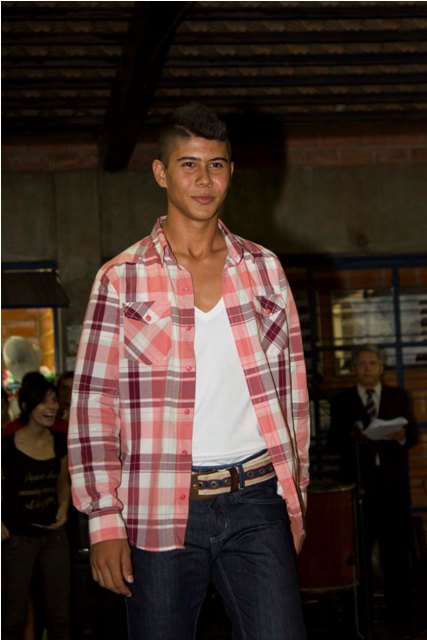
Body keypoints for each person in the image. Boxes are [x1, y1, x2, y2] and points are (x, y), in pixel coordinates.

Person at [68, 102, 310, 640]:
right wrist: (104, 519)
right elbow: (93, 405)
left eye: (216, 164)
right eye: (189, 164)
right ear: (161, 172)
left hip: (257, 499)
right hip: (158, 505)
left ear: (231, 172)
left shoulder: (264, 269)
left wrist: (295, 497)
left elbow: (293, 392)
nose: (204, 179)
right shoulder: (121, 278)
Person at [328, 345, 419, 640]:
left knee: (397, 560)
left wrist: (402, 435)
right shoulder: (341, 401)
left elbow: (414, 435)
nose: (367, 368)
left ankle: (401, 624)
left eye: (372, 363)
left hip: (393, 491)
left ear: (381, 368)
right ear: (354, 369)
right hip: (358, 492)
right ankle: (360, 624)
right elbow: (332, 441)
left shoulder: (398, 396)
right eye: (361, 363)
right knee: (359, 559)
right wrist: (355, 435)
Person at [1, 371, 71, 640]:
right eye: (44, 401)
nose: (51, 407)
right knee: (13, 617)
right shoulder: (7, 446)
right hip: (18, 539)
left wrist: (63, 506)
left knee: (60, 616)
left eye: (53, 400)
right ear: (27, 406)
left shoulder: (59, 442)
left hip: (54, 536)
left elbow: (62, 483)